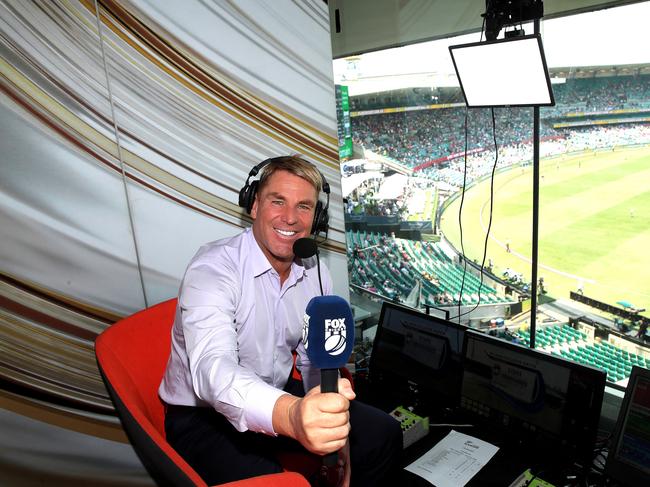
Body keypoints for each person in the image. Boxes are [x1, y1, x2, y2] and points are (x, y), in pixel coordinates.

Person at [159, 156, 401, 486]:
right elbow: (213, 371)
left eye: (304, 206)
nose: (290, 217)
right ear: (254, 205)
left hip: (276, 390)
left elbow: (315, 360)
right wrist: (292, 416)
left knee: (383, 433)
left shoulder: (315, 273)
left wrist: (330, 423)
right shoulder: (212, 269)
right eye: (278, 201)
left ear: (317, 218)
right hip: (203, 416)